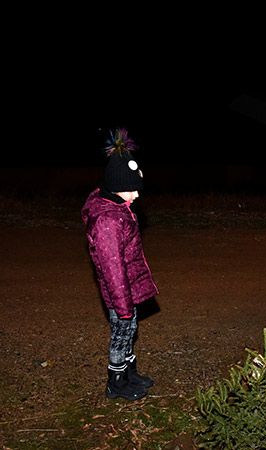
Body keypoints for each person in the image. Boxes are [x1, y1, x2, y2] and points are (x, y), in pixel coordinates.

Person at [81, 128, 158, 401]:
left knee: (130, 330)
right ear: (117, 186)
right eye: (133, 190)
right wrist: (123, 306)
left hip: (128, 289)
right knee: (121, 333)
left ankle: (129, 372)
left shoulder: (119, 210)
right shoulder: (108, 221)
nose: (137, 196)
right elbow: (113, 269)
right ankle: (116, 381)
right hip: (119, 293)